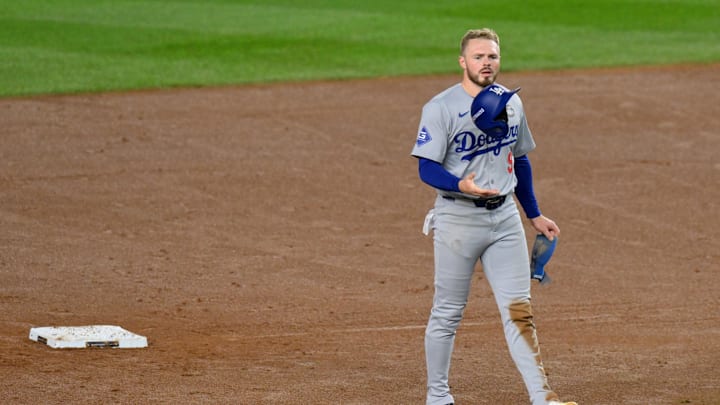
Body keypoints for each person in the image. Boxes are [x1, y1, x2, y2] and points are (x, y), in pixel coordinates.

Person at [410, 28, 577, 405]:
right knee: (448, 312)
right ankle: (437, 397)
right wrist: (460, 185)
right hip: (457, 220)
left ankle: (542, 396)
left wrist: (533, 214)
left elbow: (519, 159)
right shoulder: (440, 108)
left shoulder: (511, 103)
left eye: (493, 57)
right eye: (479, 56)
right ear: (463, 62)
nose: (487, 63)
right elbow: (425, 168)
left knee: (520, 310)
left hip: (504, 221)